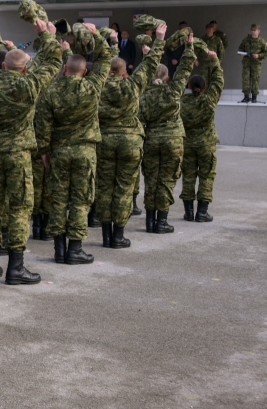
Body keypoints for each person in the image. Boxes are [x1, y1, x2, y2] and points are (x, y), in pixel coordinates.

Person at [0, 16, 61, 285]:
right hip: (19, 154)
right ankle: (16, 268)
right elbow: (55, 62)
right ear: (23, 69)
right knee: (20, 208)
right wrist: (46, 35)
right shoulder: (28, 84)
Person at [34, 27, 114, 265]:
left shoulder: (51, 92)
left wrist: (44, 152)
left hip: (59, 151)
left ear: (65, 69)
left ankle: (59, 249)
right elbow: (106, 56)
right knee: (80, 200)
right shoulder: (93, 86)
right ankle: (75, 249)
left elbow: (43, 126)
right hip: (85, 151)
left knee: (58, 199)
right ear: (85, 71)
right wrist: (96, 35)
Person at [94, 26, 165, 248]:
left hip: (104, 140)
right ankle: (118, 236)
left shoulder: (98, 86)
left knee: (105, 187)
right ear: (126, 73)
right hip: (129, 142)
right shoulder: (133, 85)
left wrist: (112, 44)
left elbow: (108, 67)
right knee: (124, 187)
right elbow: (151, 65)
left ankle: (106, 234)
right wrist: (159, 41)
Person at [138, 33, 198, 234]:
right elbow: (185, 69)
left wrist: (147, 57)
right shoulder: (173, 91)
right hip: (172, 140)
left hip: (151, 140)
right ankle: (161, 221)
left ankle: (149, 220)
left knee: (151, 180)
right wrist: (189, 48)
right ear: (166, 77)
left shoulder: (144, 94)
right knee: (166, 179)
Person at [179, 41, 224, 222]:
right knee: (206, 176)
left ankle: (189, 212)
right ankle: (202, 212)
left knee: (188, 176)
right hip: (206, 143)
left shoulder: (183, 102)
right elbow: (219, 82)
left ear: (189, 87)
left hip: (188, 143)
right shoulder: (209, 99)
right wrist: (214, 62)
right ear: (204, 87)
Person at [239, 24, 267, 102]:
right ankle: (246, 96)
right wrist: (242, 53)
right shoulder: (246, 40)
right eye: (252, 30)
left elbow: (266, 53)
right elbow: (240, 48)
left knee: (255, 80)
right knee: (246, 79)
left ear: (259, 31)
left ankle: (254, 97)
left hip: (256, 64)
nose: (253, 32)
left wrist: (259, 55)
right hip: (247, 62)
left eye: (254, 30)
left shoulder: (262, 41)